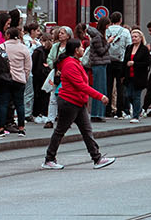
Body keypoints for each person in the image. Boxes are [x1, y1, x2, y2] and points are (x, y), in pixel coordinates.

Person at [45, 37, 116, 170]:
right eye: (81, 47)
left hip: (77, 102)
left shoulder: (74, 62)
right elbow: (81, 85)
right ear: (76, 50)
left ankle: (97, 158)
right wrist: (100, 96)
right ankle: (49, 159)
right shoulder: (70, 64)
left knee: (86, 131)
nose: (83, 49)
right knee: (60, 131)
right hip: (69, 102)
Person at [0, 25, 31, 135]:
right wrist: (25, 77)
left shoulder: (2, 46)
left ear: (8, 35)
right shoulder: (24, 48)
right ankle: (21, 128)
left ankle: (1, 128)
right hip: (19, 79)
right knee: (20, 104)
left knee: (3, 103)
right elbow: (28, 67)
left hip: (5, 79)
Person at [104, 11, 132, 119]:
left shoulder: (106, 31)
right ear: (120, 20)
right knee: (120, 87)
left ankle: (107, 110)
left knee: (108, 86)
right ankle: (119, 111)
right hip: (121, 62)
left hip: (108, 61)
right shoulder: (125, 31)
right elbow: (129, 46)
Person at [84, 16, 111, 120]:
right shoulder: (98, 37)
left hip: (99, 64)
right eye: (108, 25)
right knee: (99, 88)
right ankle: (97, 114)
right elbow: (101, 51)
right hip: (98, 64)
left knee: (100, 88)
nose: (109, 27)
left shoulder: (96, 35)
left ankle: (99, 113)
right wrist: (108, 42)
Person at [26, 26, 52, 126]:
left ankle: (37, 113)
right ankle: (45, 113)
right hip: (48, 76)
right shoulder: (51, 50)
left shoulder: (38, 51)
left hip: (38, 77)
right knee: (47, 96)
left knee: (37, 95)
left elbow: (33, 64)